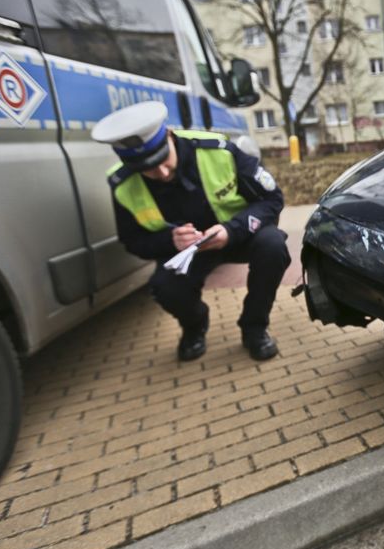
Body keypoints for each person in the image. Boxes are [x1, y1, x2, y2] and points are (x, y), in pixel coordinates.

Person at [92, 101, 290, 361]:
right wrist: (169, 240)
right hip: (185, 254)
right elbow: (132, 241)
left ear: (170, 136)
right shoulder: (122, 185)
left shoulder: (218, 150)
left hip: (237, 236)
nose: (162, 172)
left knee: (273, 247)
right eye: (148, 170)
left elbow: (271, 199)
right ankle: (195, 326)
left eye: (164, 160)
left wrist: (232, 230)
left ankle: (254, 327)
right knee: (164, 287)